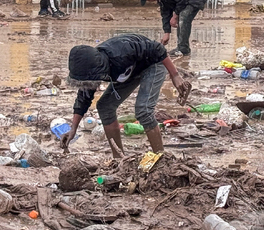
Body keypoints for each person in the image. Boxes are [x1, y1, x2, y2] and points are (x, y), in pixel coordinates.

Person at [61, 34, 192, 159]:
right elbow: (83, 98)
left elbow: (158, 49)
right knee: (104, 106)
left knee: (143, 110)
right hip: (129, 72)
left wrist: (175, 75)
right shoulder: (88, 69)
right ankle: (119, 158)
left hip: (153, 63)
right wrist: (73, 129)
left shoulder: (121, 51)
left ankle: (160, 157)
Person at [138, 0, 212, 57]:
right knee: (182, 15)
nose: (149, 1)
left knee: (184, 16)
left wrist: (175, 16)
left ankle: (183, 49)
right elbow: (165, 13)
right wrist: (167, 33)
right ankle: (182, 48)